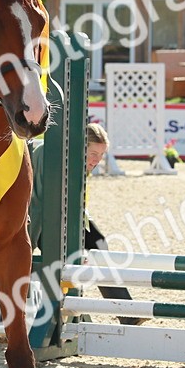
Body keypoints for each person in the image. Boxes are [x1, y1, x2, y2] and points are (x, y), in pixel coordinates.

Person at [28, 123, 144, 326]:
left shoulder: (76, 159)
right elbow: (52, 202)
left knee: (99, 244)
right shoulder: (53, 154)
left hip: (69, 217)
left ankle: (125, 310)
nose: (96, 160)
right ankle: (62, 309)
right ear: (81, 146)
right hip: (42, 220)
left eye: (101, 155)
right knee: (72, 256)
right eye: (93, 153)